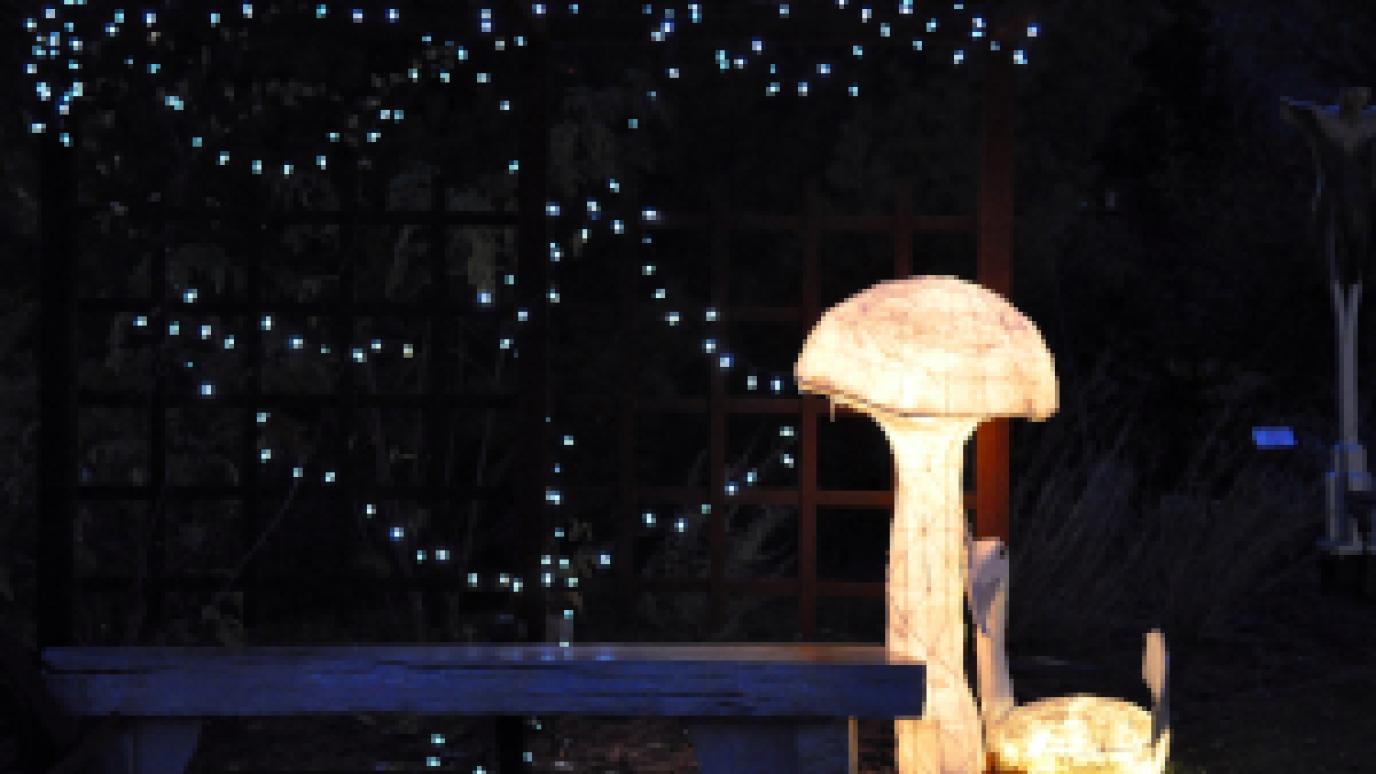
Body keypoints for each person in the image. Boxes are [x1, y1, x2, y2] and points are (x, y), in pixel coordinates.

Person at [1281, 87, 1376, 289]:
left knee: (1358, 224)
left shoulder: (1369, 121)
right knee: (1328, 219)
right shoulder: (1325, 118)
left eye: (1361, 99)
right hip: (1333, 186)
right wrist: (1288, 106)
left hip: (1357, 189)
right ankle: (1332, 269)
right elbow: (1296, 110)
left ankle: (1354, 271)